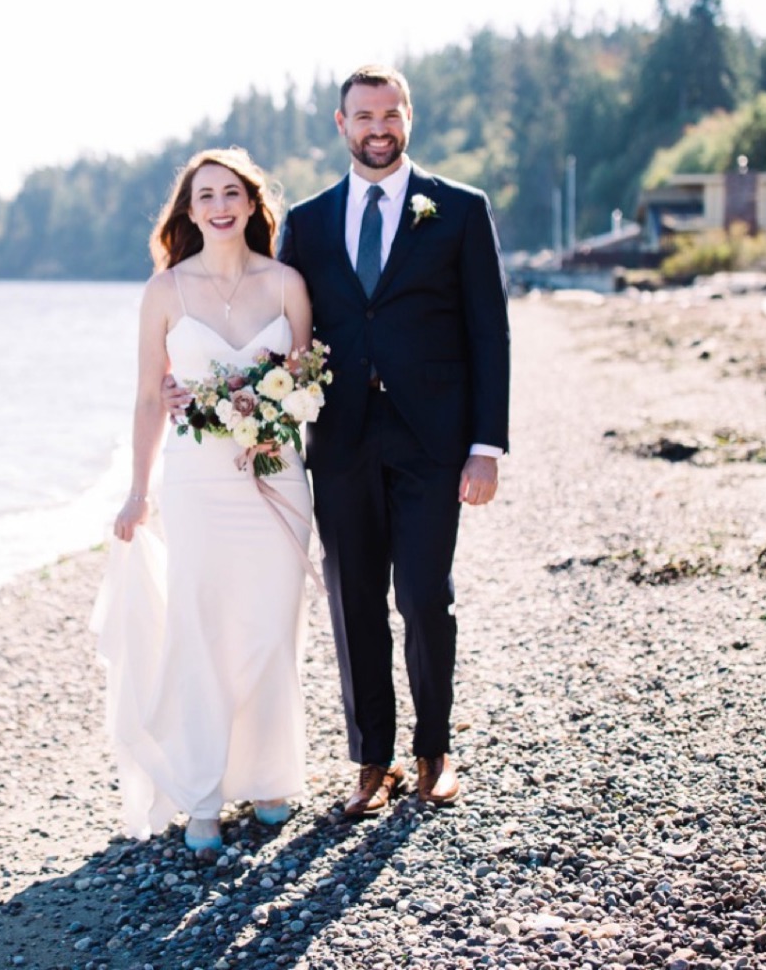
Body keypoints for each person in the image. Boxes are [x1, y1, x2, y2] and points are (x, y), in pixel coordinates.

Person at [275, 63, 510, 816]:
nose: (379, 129)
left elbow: (489, 333)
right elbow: (280, 329)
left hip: (432, 439)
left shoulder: (460, 210)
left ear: (410, 118)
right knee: (353, 602)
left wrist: (487, 445)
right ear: (340, 125)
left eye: (391, 115)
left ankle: (433, 748)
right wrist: (215, 387)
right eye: (364, 117)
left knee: (423, 595)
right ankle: (371, 760)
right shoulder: (306, 224)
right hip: (341, 438)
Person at [96, 147, 316, 852]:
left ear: (252, 204)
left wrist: (270, 406)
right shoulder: (165, 291)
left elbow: (307, 385)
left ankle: (271, 775)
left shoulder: (287, 284)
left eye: (232, 193)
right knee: (201, 627)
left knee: (270, 627)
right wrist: (137, 491)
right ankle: (201, 791)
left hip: (276, 474)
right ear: (189, 212)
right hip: (195, 482)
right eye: (205, 196)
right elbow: (144, 397)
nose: (220, 206)